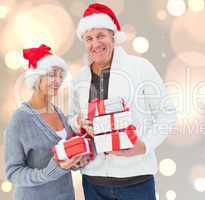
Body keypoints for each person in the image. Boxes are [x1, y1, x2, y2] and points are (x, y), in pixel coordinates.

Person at [68, 3, 177, 200]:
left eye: (101, 36)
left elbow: (167, 113)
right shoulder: (79, 78)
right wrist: (79, 122)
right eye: (89, 38)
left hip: (136, 180)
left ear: (113, 37)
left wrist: (144, 146)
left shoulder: (140, 68)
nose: (95, 43)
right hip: (93, 182)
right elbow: (71, 119)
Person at [4, 44, 87, 200]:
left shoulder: (60, 113)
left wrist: (76, 162)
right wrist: (51, 171)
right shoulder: (20, 119)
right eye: (52, 75)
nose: (57, 81)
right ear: (36, 77)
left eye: (61, 76)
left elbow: (65, 158)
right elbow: (13, 173)